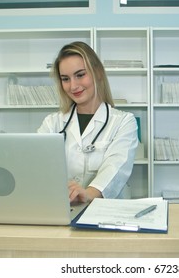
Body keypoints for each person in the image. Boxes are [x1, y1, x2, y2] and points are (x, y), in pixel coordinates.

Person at [38, 41, 139, 205]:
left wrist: (88, 194)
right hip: (63, 209)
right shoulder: (52, 123)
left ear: (98, 73)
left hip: (108, 213)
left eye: (80, 75)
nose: (73, 86)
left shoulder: (124, 122)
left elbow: (116, 168)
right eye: (65, 79)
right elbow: (37, 165)